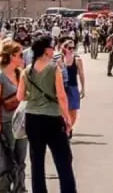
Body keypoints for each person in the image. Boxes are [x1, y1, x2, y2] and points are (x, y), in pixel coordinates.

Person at [18, 35, 77, 193]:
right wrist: (67, 118)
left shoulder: (27, 70)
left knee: (37, 161)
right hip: (52, 117)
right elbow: (61, 95)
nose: (53, 49)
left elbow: (19, 96)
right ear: (45, 51)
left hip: (32, 117)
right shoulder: (53, 68)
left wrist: (34, 98)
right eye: (51, 47)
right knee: (63, 159)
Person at [0, 41, 28, 193]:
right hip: (7, 123)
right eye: (19, 55)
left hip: (22, 122)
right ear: (11, 56)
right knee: (7, 159)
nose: (22, 57)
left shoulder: (20, 74)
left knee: (21, 159)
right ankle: (3, 189)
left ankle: (20, 188)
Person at [60, 40, 85, 137]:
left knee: (73, 111)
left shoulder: (77, 59)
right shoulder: (59, 59)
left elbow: (81, 74)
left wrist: (83, 88)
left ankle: (69, 127)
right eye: (69, 48)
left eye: (73, 48)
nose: (71, 50)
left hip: (73, 87)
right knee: (62, 110)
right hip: (62, 87)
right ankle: (65, 128)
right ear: (64, 48)